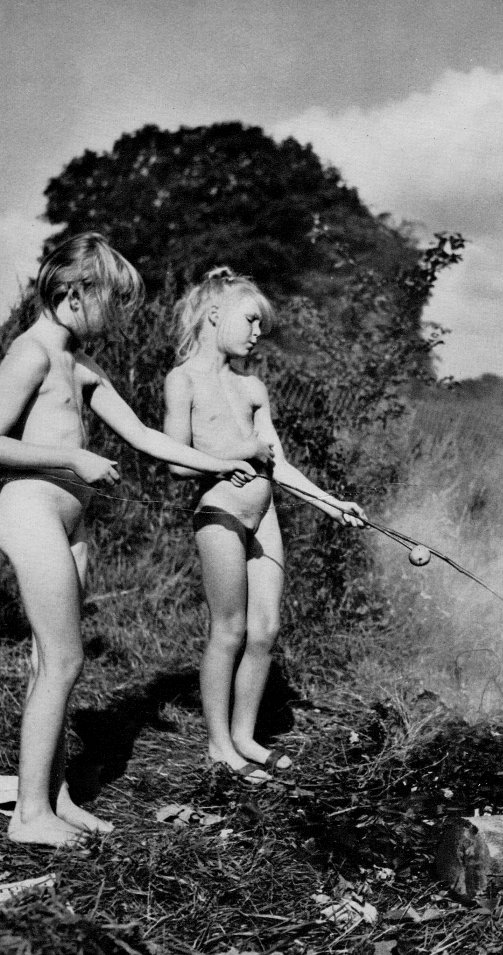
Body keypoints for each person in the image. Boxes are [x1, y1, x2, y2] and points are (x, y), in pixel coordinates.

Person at [0, 234, 256, 846]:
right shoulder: (30, 353)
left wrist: (218, 464)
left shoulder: (80, 365)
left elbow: (144, 434)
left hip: (70, 522)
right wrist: (73, 458)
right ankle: (29, 816)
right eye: (110, 302)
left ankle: (53, 796)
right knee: (64, 659)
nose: (117, 317)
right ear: (74, 293)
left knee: (49, 662)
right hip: (29, 510)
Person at [164, 267, 365, 783]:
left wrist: (332, 504)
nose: (258, 333)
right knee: (229, 629)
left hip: (265, 514)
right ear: (215, 314)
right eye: (251, 320)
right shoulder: (183, 380)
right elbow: (176, 460)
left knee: (265, 629)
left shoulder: (252, 386)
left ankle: (245, 736)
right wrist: (234, 454)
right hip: (220, 516)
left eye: (261, 325)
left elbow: (278, 464)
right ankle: (219, 746)